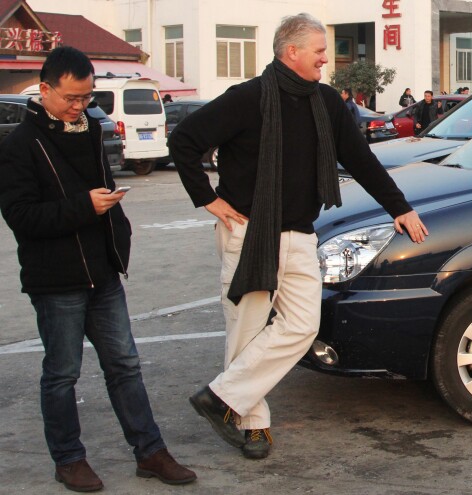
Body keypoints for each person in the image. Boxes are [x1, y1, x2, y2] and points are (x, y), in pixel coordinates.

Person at [169, 13, 427, 460]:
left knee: (302, 325)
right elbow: (185, 141)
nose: (326, 60)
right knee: (247, 331)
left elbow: (360, 159)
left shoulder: (326, 103)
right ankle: (253, 426)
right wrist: (206, 199)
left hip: (301, 232)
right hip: (249, 233)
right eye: (319, 52)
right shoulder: (247, 99)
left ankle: (222, 398)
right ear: (292, 52)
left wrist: (399, 207)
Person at [0, 46, 196, 492]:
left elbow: (103, 187)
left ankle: (151, 451)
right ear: (44, 89)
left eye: (87, 97)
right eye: (71, 98)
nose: (79, 106)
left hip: (102, 272)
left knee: (125, 364)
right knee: (63, 372)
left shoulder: (88, 130)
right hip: (56, 280)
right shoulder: (19, 146)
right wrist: (83, 207)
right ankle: (68, 459)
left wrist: (115, 229)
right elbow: (22, 218)